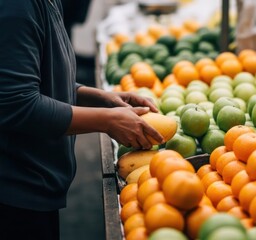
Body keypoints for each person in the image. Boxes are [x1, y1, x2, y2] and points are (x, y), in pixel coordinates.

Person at [0, 1, 163, 239]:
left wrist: (101, 98)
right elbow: (17, 103)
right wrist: (107, 121)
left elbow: (43, 79)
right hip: (15, 192)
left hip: (35, 180)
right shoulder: (17, 6)